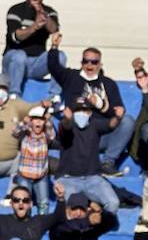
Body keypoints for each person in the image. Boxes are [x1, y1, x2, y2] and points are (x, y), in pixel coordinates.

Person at [47, 38, 133, 172]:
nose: (89, 65)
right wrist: (54, 46)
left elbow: (117, 113)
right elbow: (53, 67)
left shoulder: (109, 84)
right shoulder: (71, 76)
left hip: (99, 135)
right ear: (81, 63)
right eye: (86, 61)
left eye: (94, 62)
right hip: (75, 134)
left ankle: (107, 163)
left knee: (127, 121)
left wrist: (100, 105)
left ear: (100, 64)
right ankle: (60, 146)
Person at [54, 95, 121, 214]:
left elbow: (111, 125)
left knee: (113, 203)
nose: (81, 113)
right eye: (78, 110)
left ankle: (96, 227)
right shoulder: (66, 126)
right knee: (67, 209)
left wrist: (118, 117)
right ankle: (89, 206)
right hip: (68, 178)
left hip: (93, 178)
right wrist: (68, 119)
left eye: (84, 110)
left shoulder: (94, 125)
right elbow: (65, 126)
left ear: (90, 113)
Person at [2, 0, 61, 96]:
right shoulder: (16, 10)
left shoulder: (50, 12)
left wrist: (43, 14)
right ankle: (14, 94)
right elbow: (15, 37)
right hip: (13, 62)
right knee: (19, 55)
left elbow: (54, 30)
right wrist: (34, 27)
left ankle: (54, 97)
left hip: (36, 63)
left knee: (59, 56)